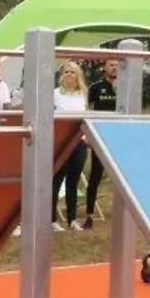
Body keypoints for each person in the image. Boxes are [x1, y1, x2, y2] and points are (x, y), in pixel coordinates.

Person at [51, 62, 90, 231]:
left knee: (73, 181)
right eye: (66, 72)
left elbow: (85, 117)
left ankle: (72, 219)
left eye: (72, 72)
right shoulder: (55, 94)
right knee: (56, 180)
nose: (68, 75)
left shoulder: (83, 94)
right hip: (60, 141)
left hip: (78, 142)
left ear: (77, 76)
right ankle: (51, 219)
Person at [82, 58, 120, 229]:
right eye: (111, 65)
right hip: (101, 134)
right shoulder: (97, 87)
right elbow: (84, 108)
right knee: (96, 175)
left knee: (122, 176)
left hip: (120, 136)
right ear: (105, 68)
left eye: (117, 65)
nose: (114, 68)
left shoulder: (126, 88)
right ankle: (89, 214)